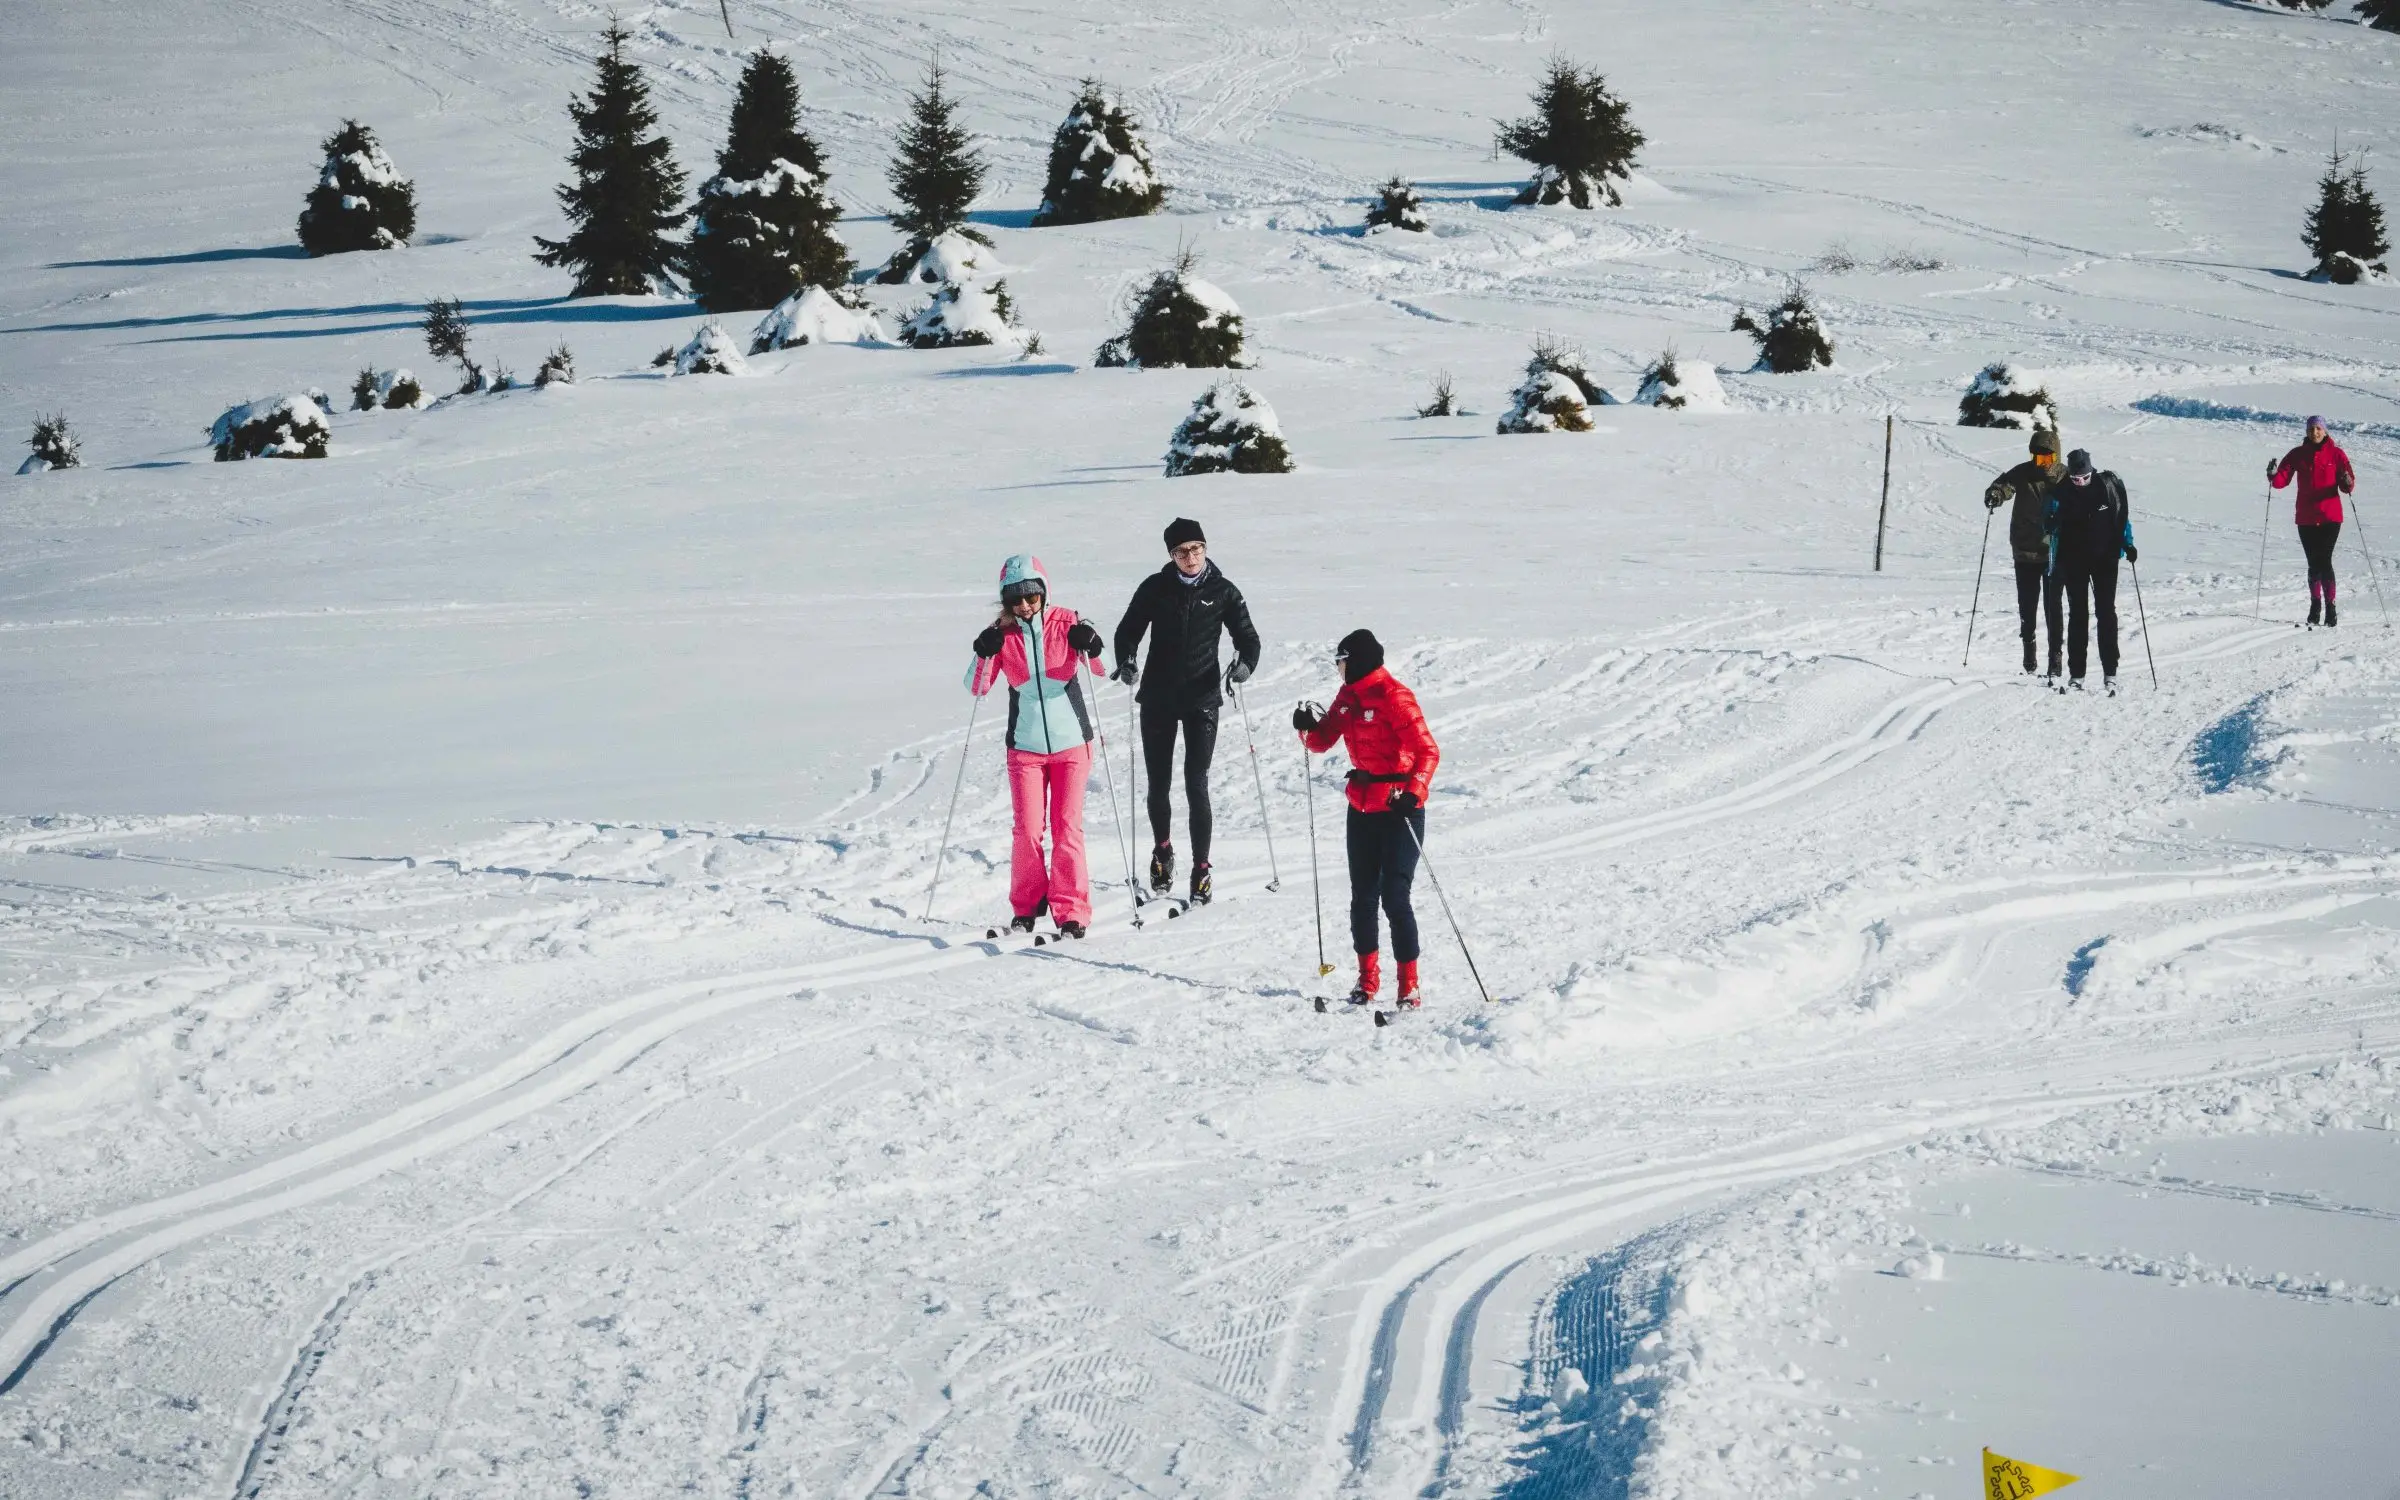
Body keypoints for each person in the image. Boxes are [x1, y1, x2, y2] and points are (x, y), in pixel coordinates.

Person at [1110, 517, 1261, 906]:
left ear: (1206, 548)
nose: (1190, 558)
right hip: (1158, 698)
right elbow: (1128, 630)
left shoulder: (1224, 591)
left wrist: (1244, 666)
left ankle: (1201, 869)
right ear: (1170, 555)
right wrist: (1127, 660)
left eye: (1196, 549)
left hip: (1202, 699)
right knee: (1158, 784)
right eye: (1181, 552)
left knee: (1197, 783)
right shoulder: (1155, 588)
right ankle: (1162, 851)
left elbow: (1248, 639)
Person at [1294, 630, 1440, 1008]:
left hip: (1398, 808)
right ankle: (1367, 982)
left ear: (1354, 661)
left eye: (1340, 661)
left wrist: (1415, 792)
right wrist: (1305, 727)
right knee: (1362, 898)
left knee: (1394, 895)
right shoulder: (1348, 697)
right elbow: (1322, 741)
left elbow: (1428, 752)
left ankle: (1409, 986)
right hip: (1360, 808)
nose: (1338, 669)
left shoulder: (1395, 697)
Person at [968, 554, 1107, 937]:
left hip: (1071, 745)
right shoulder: (1002, 633)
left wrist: (1090, 643)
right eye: (1017, 599)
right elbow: (977, 688)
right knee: (1027, 829)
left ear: (1044, 593)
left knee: (1067, 828)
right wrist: (983, 652)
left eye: (1032, 597)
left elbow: (1100, 668)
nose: (1026, 605)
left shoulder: (1067, 621)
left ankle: (1072, 910)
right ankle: (1027, 905)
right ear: (1006, 601)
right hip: (1025, 748)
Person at [2043, 450, 2137, 692]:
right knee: (2078, 614)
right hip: (2073, 559)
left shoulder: (2106, 486)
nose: (2080, 482)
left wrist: (2128, 544)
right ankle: (2077, 674)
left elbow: (2121, 519)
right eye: (2075, 479)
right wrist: (2051, 523)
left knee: (2106, 612)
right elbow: (2048, 520)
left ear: (2091, 471)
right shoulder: (2061, 491)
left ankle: (2110, 672)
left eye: (2084, 478)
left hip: (2105, 559)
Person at [1983, 427, 2064, 675]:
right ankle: (2029, 650)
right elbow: (2003, 485)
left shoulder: (2065, 478)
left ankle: (2055, 657)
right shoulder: (2023, 472)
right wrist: (1995, 494)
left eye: (2047, 458)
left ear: (2056, 457)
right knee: (2027, 606)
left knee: (2054, 608)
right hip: (2025, 550)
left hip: (2054, 553)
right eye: (2037, 458)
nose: (2042, 463)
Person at [2269, 415, 2357, 627]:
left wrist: (2347, 481)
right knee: (2313, 563)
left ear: (2325, 431)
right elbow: (2282, 480)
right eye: (2311, 429)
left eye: (2318, 428)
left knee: (2324, 560)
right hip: (2306, 517)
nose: (2314, 432)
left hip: (2330, 516)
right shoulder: (2297, 454)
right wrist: (2273, 475)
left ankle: (2331, 608)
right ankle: (2315, 605)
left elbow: (2347, 485)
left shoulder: (2336, 454)